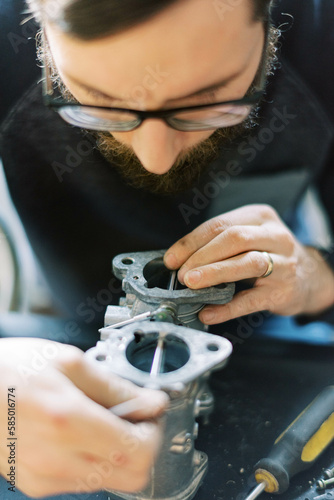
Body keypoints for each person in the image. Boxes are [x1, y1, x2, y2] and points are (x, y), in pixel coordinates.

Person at [0, 0, 333, 497]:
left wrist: (318, 278)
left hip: (283, 320)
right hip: (55, 336)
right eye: (96, 99)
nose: (155, 159)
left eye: (209, 100)